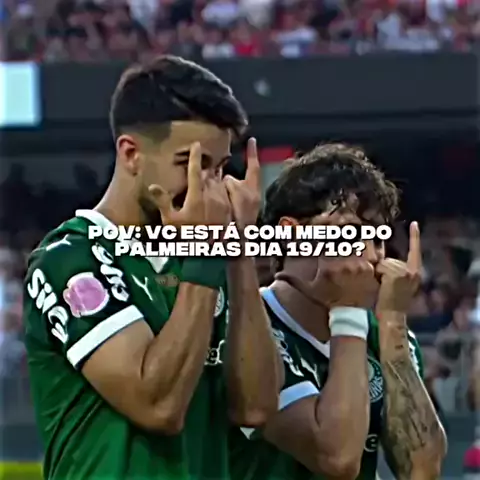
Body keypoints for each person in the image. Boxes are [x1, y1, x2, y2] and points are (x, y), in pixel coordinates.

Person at [23, 55, 280, 480]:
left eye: (218, 169)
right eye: (190, 164)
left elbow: (256, 409)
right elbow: (158, 406)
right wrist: (206, 254)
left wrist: (236, 252)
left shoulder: (209, 258)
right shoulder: (70, 259)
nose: (210, 188)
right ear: (131, 154)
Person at [230, 144, 447, 479]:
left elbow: (421, 471)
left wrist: (392, 322)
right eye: (351, 231)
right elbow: (336, 458)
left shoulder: (385, 334)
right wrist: (348, 310)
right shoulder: (246, 327)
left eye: (378, 238)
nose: (370, 254)